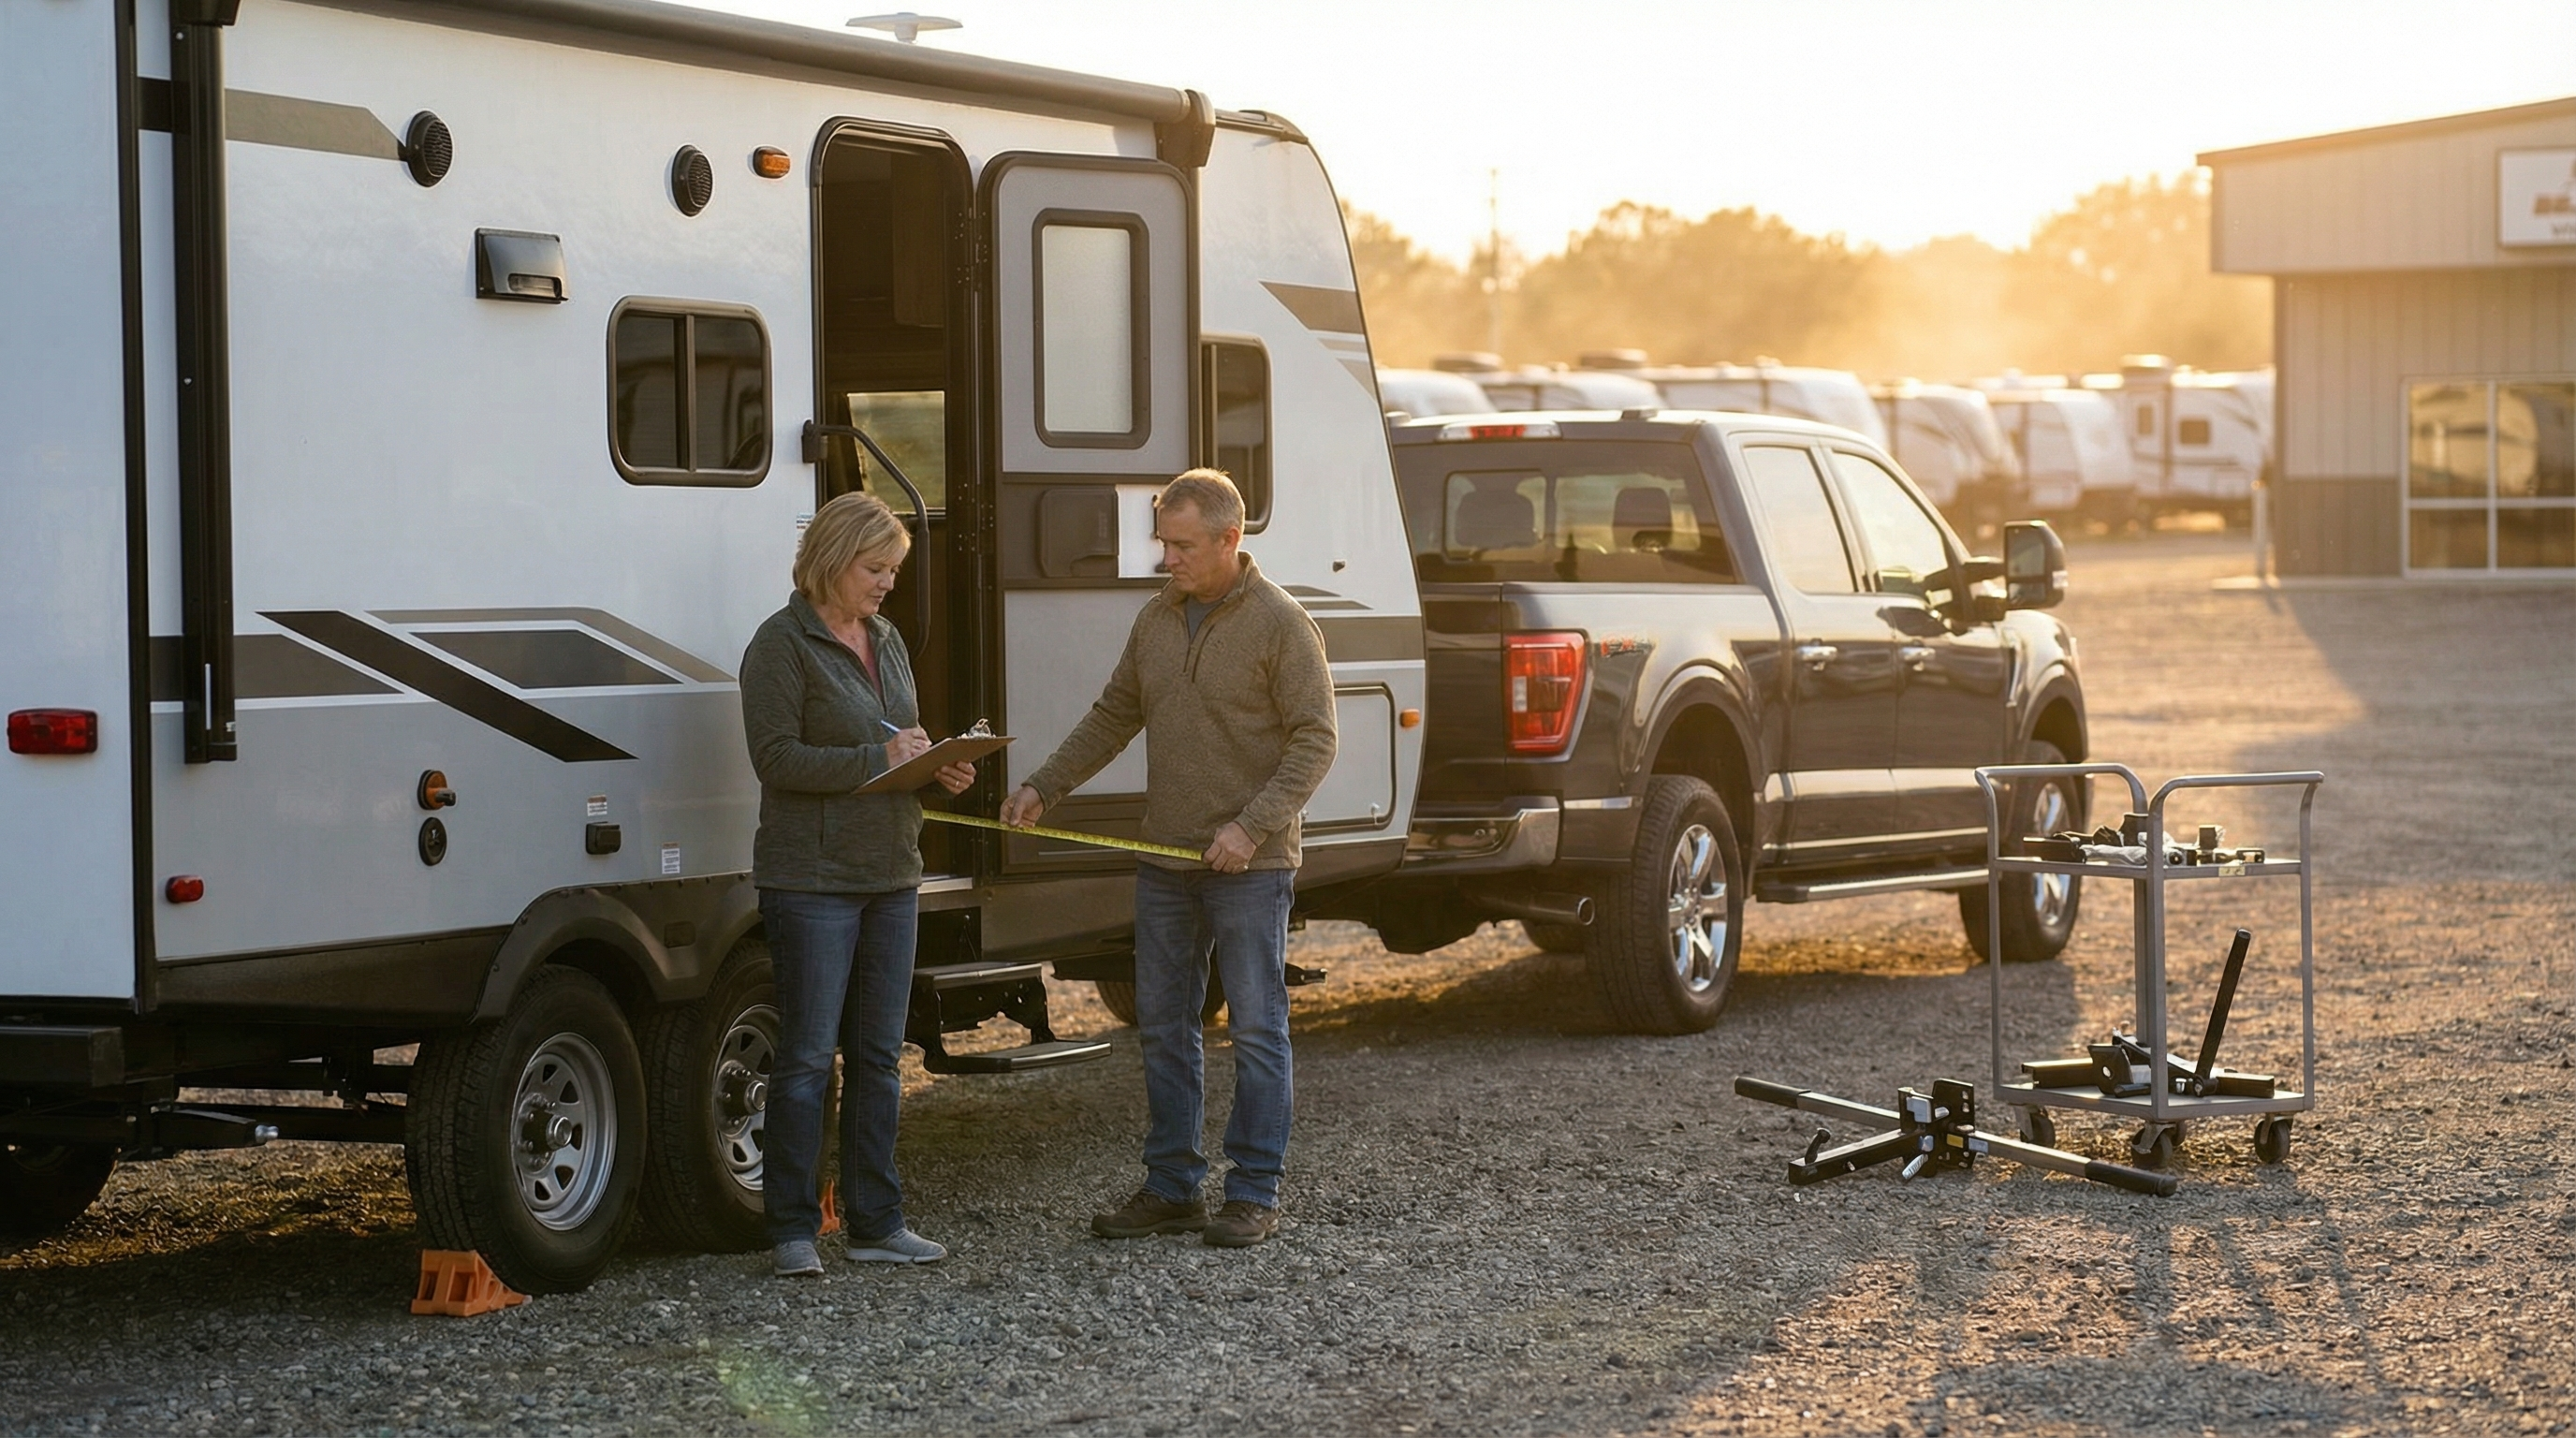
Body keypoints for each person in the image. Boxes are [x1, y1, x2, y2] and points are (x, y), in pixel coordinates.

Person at [1001, 469, 1337, 1249]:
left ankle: (1253, 1193)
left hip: (1249, 866)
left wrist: (1250, 829)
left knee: (1257, 1028)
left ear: (1230, 539)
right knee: (1163, 1026)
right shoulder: (1156, 618)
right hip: (1165, 861)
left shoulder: (1284, 625)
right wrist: (1046, 786)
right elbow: (1115, 714)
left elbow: (1316, 740)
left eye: (1182, 545)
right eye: (1163, 542)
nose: (1167, 559)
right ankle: (1173, 1186)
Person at [739, 491, 977, 1278]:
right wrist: (879, 762)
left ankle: (877, 1224)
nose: (887, 585)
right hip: (811, 880)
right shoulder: (779, 646)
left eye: (894, 571)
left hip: (890, 872)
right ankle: (792, 1232)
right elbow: (776, 760)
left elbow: (891, 742)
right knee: (808, 1058)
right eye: (876, 569)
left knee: (878, 1056)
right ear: (834, 560)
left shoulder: (887, 638)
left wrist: (933, 767)